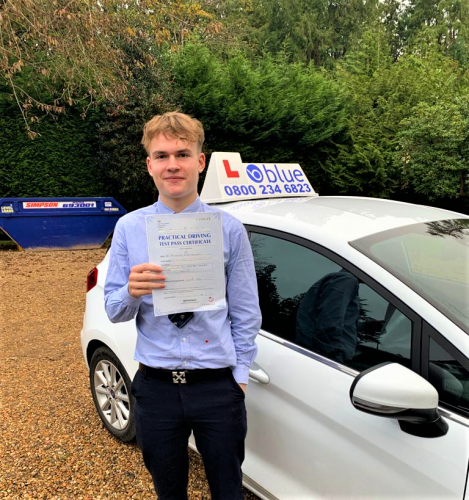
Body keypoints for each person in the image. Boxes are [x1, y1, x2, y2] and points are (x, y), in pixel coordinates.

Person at [104, 112, 261, 500]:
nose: (172, 164)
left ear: (200, 161)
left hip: (217, 388)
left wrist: (239, 377)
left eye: (182, 154)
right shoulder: (129, 228)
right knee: (168, 491)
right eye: (162, 155)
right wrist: (131, 291)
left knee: (228, 491)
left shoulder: (228, 228)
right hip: (155, 387)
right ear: (149, 165)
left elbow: (245, 311)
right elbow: (113, 310)